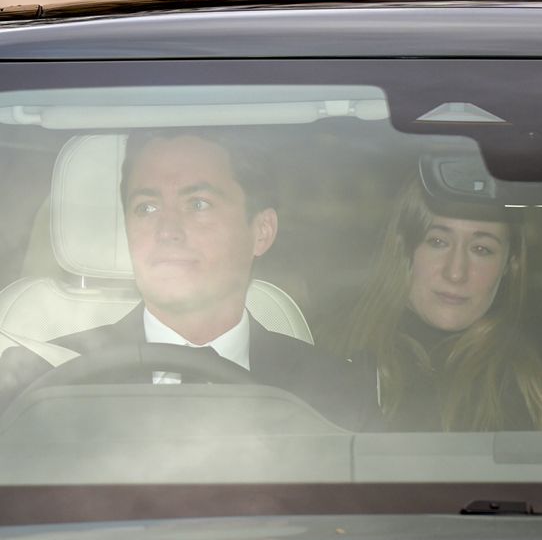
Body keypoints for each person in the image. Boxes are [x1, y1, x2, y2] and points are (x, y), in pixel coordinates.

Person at [0, 128, 370, 426]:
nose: (168, 231)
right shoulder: (45, 382)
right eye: (146, 207)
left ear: (261, 231)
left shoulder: (336, 393)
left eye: (198, 205)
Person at [335, 180, 542, 432]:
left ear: (510, 263)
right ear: (404, 248)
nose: (456, 272)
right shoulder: (334, 354)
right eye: (438, 242)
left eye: (481, 249)